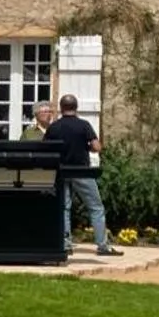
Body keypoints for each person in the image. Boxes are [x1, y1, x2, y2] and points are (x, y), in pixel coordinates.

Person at [43, 93, 120, 257]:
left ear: (61, 108)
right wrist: (87, 147)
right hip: (81, 171)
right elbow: (97, 147)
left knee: (64, 208)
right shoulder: (83, 125)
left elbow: (46, 149)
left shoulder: (54, 127)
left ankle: (65, 244)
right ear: (76, 108)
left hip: (61, 171)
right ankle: (102, 245)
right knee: (96, 207)